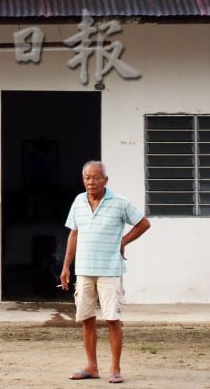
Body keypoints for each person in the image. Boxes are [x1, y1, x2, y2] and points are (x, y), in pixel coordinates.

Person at [59, 160, 151, 384]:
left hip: (109, 270)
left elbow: (143, 223)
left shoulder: (120, 202)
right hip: (84, 270)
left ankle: (116, 369)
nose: (91, 182)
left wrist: (123, 242)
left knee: (112, 319)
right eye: (87, 178)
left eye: (96, 177)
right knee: (87, 319)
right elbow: (73, 234)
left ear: (105, 180)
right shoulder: (79, 201)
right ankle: (91, 367)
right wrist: (65, 267)